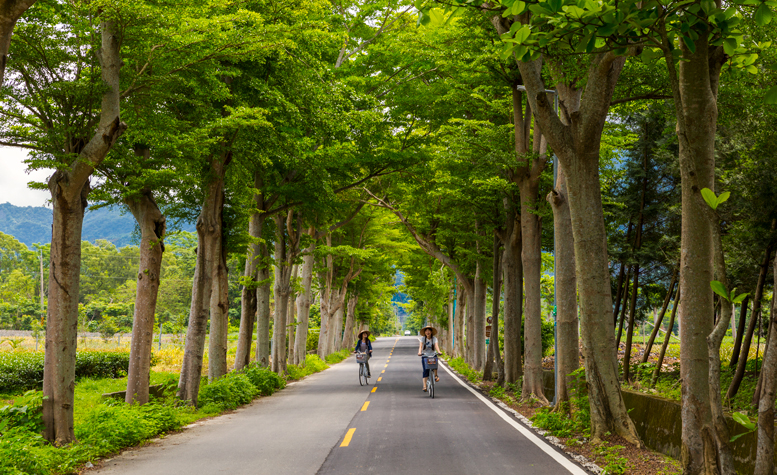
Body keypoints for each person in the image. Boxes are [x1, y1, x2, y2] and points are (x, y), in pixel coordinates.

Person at [417, 326, 441, 392]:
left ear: (431, 332)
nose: (427, 332)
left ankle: (436, 376)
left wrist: (439, 351)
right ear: (424, 332)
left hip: (433, 355)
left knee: (435, 363)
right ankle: (424, 386)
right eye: (426, 331)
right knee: (425, 370)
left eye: (429, 331)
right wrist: (419, 352)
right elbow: (420, 347)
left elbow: (436, 346)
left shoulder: (434, 339)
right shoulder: (422, 339)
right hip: (425, 356)